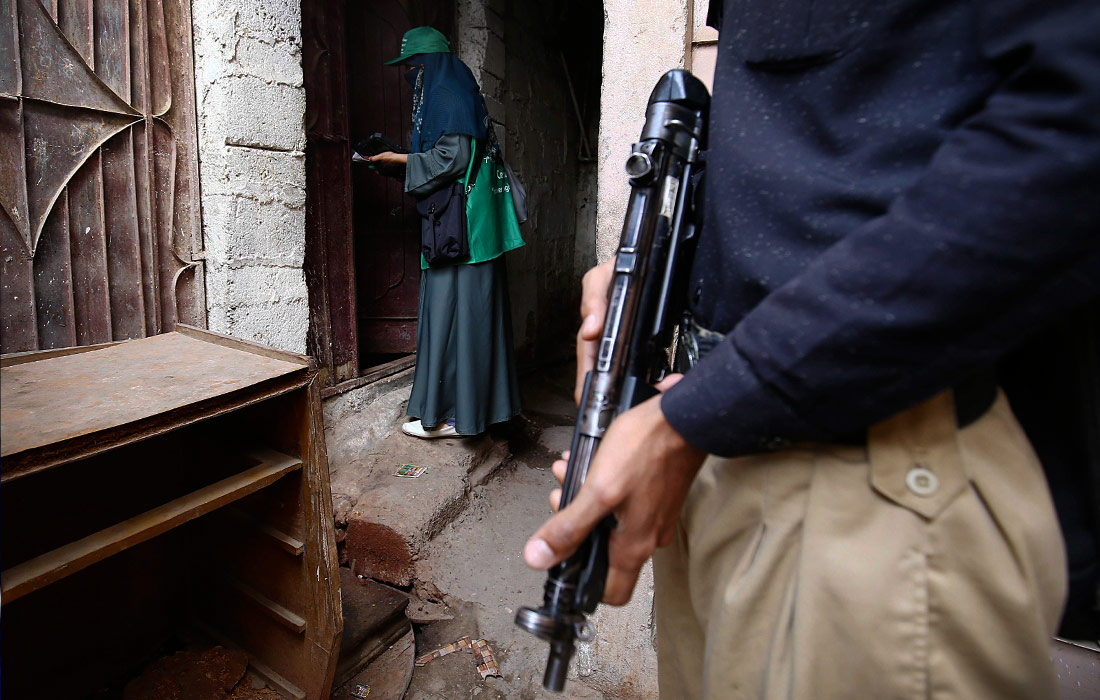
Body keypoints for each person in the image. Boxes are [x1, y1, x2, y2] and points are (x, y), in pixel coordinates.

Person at [523, 0, 1100, 698]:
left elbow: (1070, 138)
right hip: (715, 455)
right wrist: (644, 285)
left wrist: (699, 413)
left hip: (877, 489)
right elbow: (810, 161)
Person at [364, 26, 523, 440]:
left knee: (462, 318)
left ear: (429, 63)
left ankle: (458, 417)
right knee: (460, 315)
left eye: (413, 67)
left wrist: (400, 159)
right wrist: (399, 161)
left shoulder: (447, 91)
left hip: (463, 227)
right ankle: (458, 412)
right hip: (467, 223)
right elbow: (447, 153)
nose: (410, 76)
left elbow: (453, 157)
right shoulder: (454, 84)